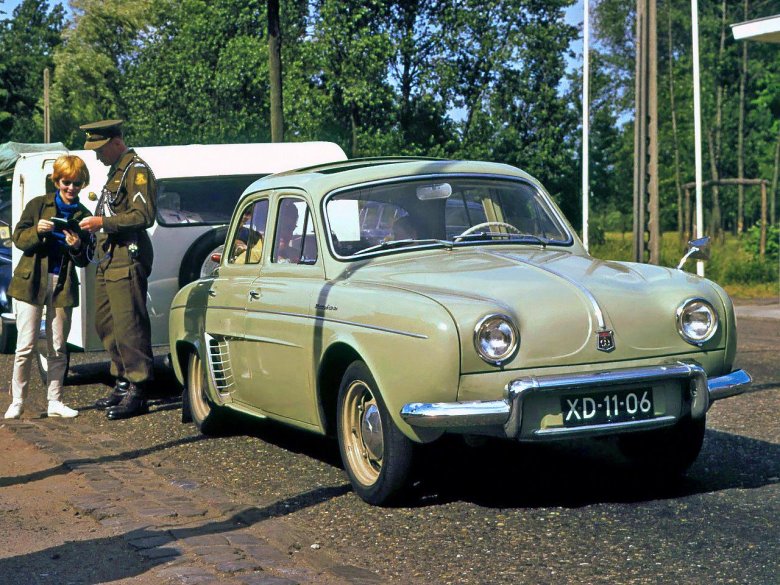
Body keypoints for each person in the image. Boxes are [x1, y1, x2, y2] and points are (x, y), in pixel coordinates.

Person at [78, 119, 157, 420]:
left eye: (100, 149)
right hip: (109, 256)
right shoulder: (116, 171)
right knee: (106, 323)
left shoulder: (136, 170)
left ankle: (138, 388)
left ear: (116, 142)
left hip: (127, 256)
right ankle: (122, 380)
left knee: (129, 325)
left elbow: (143, 215)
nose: (97, 156)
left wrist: (103, 223)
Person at [4, 155, 91, 419]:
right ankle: (17, 401)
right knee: (25, 345)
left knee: (58, 346)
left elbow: (85, 258)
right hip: (31, 280)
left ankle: (55, 401)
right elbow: (18, 239)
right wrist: (37, 231)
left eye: (77, 183)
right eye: (66, 182)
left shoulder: (84, 215)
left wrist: (77, 246)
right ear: (57, 181)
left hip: (62, 282)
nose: (71, 188)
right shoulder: (38, 205)